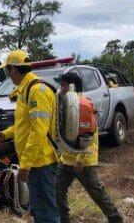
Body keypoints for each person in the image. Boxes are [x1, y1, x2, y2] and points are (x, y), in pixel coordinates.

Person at [0, 49, 60, 223]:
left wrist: (26, 165)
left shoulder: (37, 91)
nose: (8, 73)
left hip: (41, 162)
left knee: (47, 212)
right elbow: (24, 126)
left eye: (8, 69)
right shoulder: (25, 90)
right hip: (34, 162)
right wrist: (4, 134)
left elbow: (38, 131)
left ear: (13, 69)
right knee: (38, 209)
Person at [54, 72, 123, 223]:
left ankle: (115, 218)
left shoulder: (82, 104)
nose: (61, 88)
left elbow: (87, 135)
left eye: (63, 85)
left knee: (96, 191)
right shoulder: (66, 103)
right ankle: (64, 219)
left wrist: (80, 157)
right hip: (66, 158)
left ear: (72, 86)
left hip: (83, 159)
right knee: (58, 189)